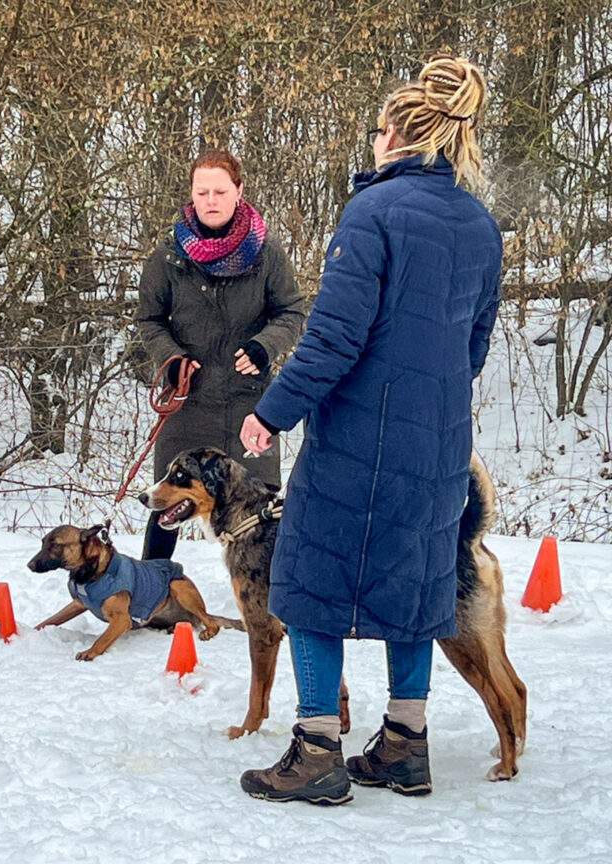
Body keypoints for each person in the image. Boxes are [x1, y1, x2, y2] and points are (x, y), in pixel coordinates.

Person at [237, 54, 501, 805]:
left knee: (306, 580)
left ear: (397, 136)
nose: (373, 142)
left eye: (378, 130)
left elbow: (333, 340)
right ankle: (403, 745)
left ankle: (317, 750)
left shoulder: (373, 213)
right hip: (440, 439)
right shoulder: (481, 224)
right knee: (414, 583)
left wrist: (271, 413)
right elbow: (473, 348)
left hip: (358, 442)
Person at [136, 150, 305, 559]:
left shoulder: (267, 253)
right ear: (192, 194)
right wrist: (170, 358)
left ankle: (270, 597)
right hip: (188, 402)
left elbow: (293, 312)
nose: (211, 200)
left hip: (250, 405)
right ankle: (154, 590)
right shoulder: (168, 255)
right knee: (165, 503)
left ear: (238, 192)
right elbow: (149, 320)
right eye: (202, 191)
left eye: (220, 191)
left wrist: (266, 347)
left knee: (264, 507)